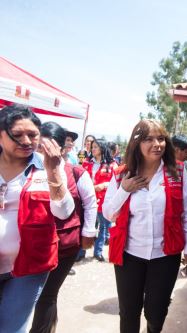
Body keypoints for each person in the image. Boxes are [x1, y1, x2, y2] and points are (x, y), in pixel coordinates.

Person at [103, 119, 187, 333]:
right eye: (148, 139)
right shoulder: (121, 174)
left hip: (165, 255)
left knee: (156, 312)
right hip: (129, 255)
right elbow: (108, 213)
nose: (157, 144)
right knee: (128, 312)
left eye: (161, 138)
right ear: (136, 143)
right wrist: (124, 190)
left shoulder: (178, 172)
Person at [0, 104, 75, 333]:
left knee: (12, 328)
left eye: (33, 135)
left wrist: (53, 171)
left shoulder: (48, 165)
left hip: (29, 266)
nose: (26, 141)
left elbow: (63, 211)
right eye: (17, 134)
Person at [30, 122, 97, 333]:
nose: (42, 152)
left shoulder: (76, 172)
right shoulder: (28, 169)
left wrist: (88, 235)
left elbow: (90, 203)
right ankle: (49, 326)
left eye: (47, 147)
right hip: (33, 244)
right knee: (41, 294)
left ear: (61, 148)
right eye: (39, 147)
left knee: (46, 294)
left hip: (65, 245)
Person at [82, 139, 117, 261]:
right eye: (92, 147)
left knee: (103, 227)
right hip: (87, 199)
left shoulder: (112, 165)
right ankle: (81, 252)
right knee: (86, 224)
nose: (93, 149)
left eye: (95, 146)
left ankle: (98, 252)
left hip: (103, 200)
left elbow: (116, 181)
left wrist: (104, 185)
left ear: (102, 148)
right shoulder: (86, 163)